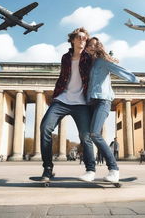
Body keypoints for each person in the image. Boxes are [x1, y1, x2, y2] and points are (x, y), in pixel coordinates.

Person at [40, 27, 96, 181]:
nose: (82, 40)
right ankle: (48, 168)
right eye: (79, 37)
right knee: (45, 128)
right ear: (72, 39)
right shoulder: (65, 57)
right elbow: (62, 78)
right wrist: (55, 95)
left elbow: (103, 63)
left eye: (85, 38)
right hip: (62, 100)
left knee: (86, 136)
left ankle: (90, 169)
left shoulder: (90, 57)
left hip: (82, 103)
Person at [84, 37, 139, 183]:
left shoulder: (103, 61)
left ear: (98, 47)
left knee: (95, 134)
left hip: (103, 100)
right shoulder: (89, 64)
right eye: (89, 45)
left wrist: (136, 79)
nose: (90, 47)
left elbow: (119, 70)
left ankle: (114, 169)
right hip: (91, 102)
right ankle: (90, 170)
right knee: (87, 135)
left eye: (94, 45)